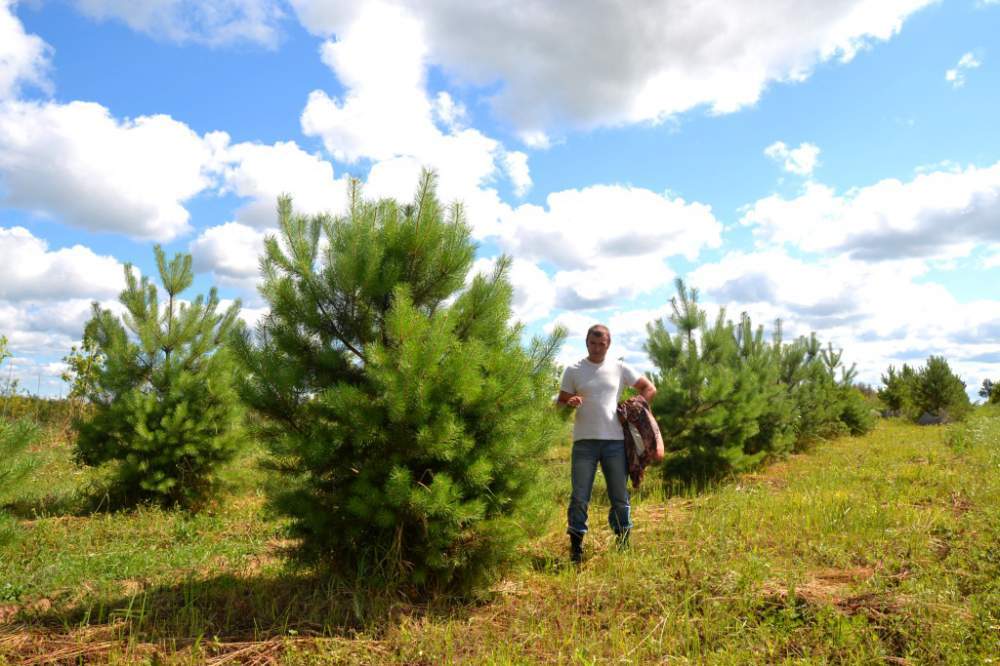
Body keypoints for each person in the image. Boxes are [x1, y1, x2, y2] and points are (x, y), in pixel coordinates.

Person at [557, 324, 656, 563]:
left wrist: (633, 407)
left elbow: (648, 388)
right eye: (593, 343)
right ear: (586, 342)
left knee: (619, 496)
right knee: (580, 496)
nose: (598, 347)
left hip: (614, 442)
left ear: (608, 344)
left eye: (602, 344)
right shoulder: (573, 370)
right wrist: (570, 402)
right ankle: (576, 548)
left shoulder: (619, 367)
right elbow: (559, 405)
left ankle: (623, 544)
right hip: (584, 443)